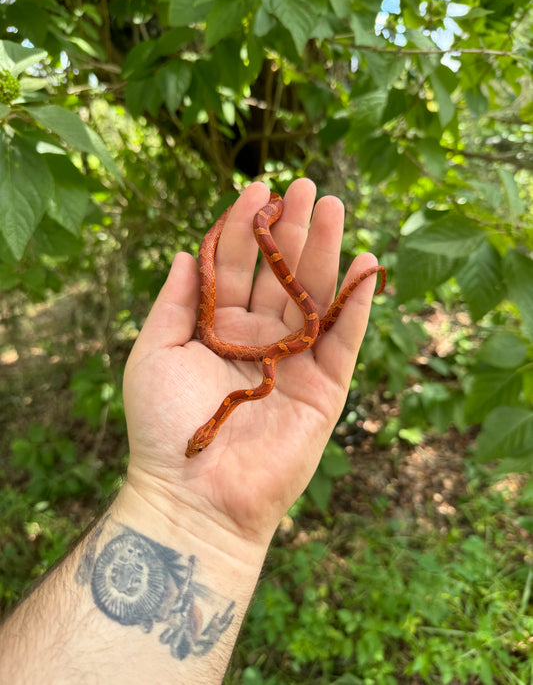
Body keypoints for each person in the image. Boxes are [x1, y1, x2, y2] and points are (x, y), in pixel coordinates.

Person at [0, 178, 381, 684]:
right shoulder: (253, 387)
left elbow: (272, 364)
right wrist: (180, 507)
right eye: (199, 442)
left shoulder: (254, 387)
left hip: (265, 355)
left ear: (207, 430)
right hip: (256, 365)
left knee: (304, 320)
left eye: (199, 441)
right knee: (285, 320)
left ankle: (271, 233)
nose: (196, 445)